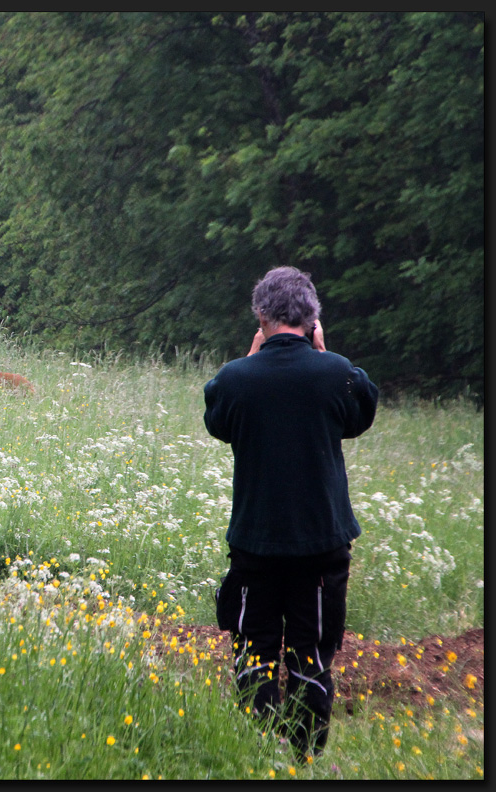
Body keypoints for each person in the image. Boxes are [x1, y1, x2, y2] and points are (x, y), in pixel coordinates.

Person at [203, 266, 379, 760]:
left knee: (253, 648)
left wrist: (247, 359)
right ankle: (304, 758)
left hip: (254, 543)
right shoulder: (337, 373)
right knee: (312, 652)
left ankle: (257, 750)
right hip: (321, 545)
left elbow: (218, 418)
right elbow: (360, 413)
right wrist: (324, 354)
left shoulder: (236, 379)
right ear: (313, 318)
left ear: (260, 316)